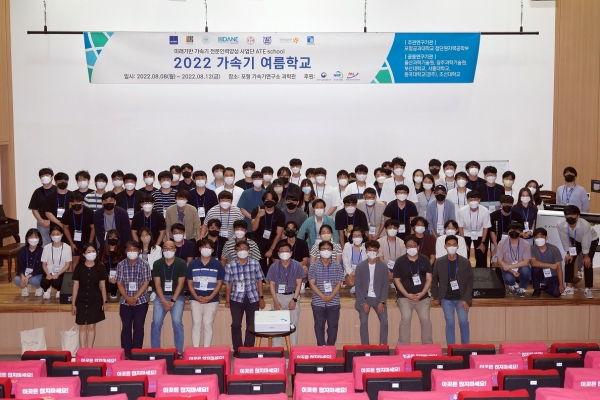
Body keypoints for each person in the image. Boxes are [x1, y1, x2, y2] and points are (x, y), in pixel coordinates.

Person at [224, 241, 266, 356]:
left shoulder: (255, 263)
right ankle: (238, 349)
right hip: (236, 298)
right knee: (236, 324)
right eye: (240, 249)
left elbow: (259, 281)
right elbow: (228, 284)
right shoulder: (230, 265)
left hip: (253, 298)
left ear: (249, 251)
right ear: (235, 251)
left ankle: (248, 349)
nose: (242, 251)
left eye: (245, 248)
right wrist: (227, 300)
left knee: (251, 325)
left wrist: (261, 298)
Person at [432, 235, 473, 345]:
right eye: (449, 245)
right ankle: (451, 348)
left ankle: (465, 347)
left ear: (458, 246)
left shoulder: (465, 262)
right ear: (445, 246)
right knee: (450, 323)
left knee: (463, 321)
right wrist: (436, 297)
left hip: (461, 298)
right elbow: (434, 280)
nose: (452, 247)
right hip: (446, 298)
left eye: (454, 244)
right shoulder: (439, 262)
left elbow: (470, 282)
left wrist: (466, 299)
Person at [393, 234, 433, 345]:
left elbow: (429, 279)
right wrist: (407, 295)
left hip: (423, 297)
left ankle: (428, 346)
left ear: (418, 247)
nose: (412, 248)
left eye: (414, 246)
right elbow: (397, 280)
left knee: (425, 319)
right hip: (405, 297)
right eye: (409, 246)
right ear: (406, 247)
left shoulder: (425, 259)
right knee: (406, 318)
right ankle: (403, 346)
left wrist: (422, 293)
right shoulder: (400, 261)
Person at [151, 240, 187, 356]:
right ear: (162, 250)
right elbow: (157, 284)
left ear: (175, 249)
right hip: (160, 297)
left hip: (177, 297)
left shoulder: (181, 263)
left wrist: (172, 300)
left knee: (177, 322)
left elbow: (181, 284)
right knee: (156, 323)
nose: (168, 250)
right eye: (165, 248)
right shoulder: (157, 264)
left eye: (171, 248)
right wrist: (163, 300)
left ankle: (179, 352)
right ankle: (156, 351)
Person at [116, 240, 151, 359]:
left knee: (139, 327)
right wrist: (127, 298)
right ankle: (126, 354)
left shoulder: (145, 264)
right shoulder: (121, 265)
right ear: (125, 251)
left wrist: (135, 297)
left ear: (139, 251)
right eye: (129, 249)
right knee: (126, 327)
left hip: (141, 301)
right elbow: (119, 283)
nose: (132, 252)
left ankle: (136, 353)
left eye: (134, 249)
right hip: (125, 302)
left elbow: (146, 283)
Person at [187, 239, 225, 347]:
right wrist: (196, 297)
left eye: (208, 247)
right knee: (196, 323)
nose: (206, 249)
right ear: (199, 249)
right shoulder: (193, 264)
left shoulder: (217, 264)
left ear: (212, 250)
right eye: (203, 247)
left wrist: (210, 297)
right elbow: (189, 283)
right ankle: (195, 350)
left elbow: (219, 283)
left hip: (212, 300)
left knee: (208, 323)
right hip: (195, 299)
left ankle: (206, 349)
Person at [266, 242, 304, 346]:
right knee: (277, 325)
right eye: (282, 251)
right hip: (278, 296)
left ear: (291, 253)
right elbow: (272, 285)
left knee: (293, 325)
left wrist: (294, 300)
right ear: (278, 253)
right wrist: (275, 301)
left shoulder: (297, 265)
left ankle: (293, 349)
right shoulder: (273, 267)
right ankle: (277, 350)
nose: (284, 253)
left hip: (292, 296)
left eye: (287, 251)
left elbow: (299, 284)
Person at [308, 241, 345, 346]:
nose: (326, 251)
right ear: (319, 251)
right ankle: (321, 348)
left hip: (334, 301)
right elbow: (312, 284)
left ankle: (330, 347)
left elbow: (339, 283)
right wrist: (323, 296)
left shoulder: (337, 266)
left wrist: (331, 296)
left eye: (328, 249)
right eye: (323, 249)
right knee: (319, 326)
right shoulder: (313, 266)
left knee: (333, 326)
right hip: (318, 301)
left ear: (332, 251)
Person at [71, 244, 108, 348]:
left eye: (93, 251)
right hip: (81, 300)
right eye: (88, 251)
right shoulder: (79, 267)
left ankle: (90, 350)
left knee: (92, 326)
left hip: (95, 300)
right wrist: (73, 304)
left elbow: (103, 287)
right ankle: (83, 350)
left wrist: (105, 302)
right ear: (84, 254)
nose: (91, 253)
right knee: (82, 326)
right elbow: (75, 286)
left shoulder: (100, 267)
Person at [558, 205, 598, 298]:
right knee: (569, 260)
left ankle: (588, 289)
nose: (570, 217)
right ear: (564, 216)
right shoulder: (560, 224)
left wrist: (586, 256)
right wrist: (568, 253)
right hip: (576, 240)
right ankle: (569, 287)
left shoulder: (585, 225)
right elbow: (564, 240)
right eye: (568, 215)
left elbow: (586, 241)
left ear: (578, 216)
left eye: (573, 215)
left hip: (591, 240)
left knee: (587, 263)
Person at [354, 241, 389, 345]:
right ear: (366, 251)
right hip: (364, 299)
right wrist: (363, 303)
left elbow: (385, 286)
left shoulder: (383, 267)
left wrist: (382, 302)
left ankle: (383, 345)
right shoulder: (360, 266)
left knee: (384, 322)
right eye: (370, 250)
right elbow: (358, 287)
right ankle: (365, 347)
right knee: (364, 322)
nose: (372, 252)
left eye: (374, 250)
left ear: (378, 251)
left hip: (378, 299)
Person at [251, 190, 285, 276]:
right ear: (263, 200)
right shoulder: (257, 210)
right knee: (258, 261)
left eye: (272, 199)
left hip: (273, 240)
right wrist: (258, 216)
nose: (269, 201)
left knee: (274, 260)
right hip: (258, 239)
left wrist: (271, 250)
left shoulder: (280, 214)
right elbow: (253, 228)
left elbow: (279, 234)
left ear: (275, 201)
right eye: (267, 199)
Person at [496, 223, 532, 298]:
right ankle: (512, 284)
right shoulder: (502, 243)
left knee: (526, 270)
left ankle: (522, 288)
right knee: (508, 279)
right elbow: (499, 260)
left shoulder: (526, 244)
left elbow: (526, 262)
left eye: (517, 230)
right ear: (508, 232)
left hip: (520, 267)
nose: (514, 231)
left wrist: (510, 266)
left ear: (521, 232)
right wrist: (511, 270)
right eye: (512, 230)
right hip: (507, 268)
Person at [457, 191, 491, 268]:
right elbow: (460, 227)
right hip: (465, 233)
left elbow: (485, 228)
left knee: (481, 254)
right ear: (467, 201)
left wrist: (482, 243)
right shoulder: (462, 211)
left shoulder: (485, 211)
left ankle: (481, 273)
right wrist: (463, 242)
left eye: (475, 199)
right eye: (470, 200)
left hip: (480, 233)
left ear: (479, 200)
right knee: (464, 254)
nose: (473, 202)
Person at [489, 195, 525, 266]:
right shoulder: (493, 215)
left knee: (511, 262)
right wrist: (496, 246)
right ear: (501, 204)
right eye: (505, 204)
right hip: (497, 242)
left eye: (509, 204)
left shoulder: (517, 215)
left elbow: (520, 230)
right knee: (495, 262)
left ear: (512, 205)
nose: (507, 205)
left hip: (513, 242)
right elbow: (492, 231)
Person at [62, 192, 95, 266]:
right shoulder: (67, 213)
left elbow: (93, 229)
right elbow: (65, 228)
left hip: (87, 239)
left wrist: (89, 244)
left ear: (82, 202)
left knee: (87, 259)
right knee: (73, 261)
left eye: (78, 201)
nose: (75, 204)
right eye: (73, 202)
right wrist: (71, 243)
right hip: (72, 240)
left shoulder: (89, 212)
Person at [40, 226, 73, 299]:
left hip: (61, 272)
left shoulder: (67, 248)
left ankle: (59, 290)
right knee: (44, 282)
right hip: (49, 271)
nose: (55, 236)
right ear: (50, 236)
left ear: (62, 234)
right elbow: (44, 264)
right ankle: (46, 290)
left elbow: (67, 265)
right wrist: (48, 274)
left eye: (58, 234)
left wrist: (58, 274)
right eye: (53, 234)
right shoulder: (46, 247)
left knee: (57, 282)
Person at [530, 228, 564, 298]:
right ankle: (537, 288)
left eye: (542, 237)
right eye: (537, 237)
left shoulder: (554, 249)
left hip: (552, 274)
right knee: (535, 268)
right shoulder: (531, 248)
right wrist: (550, 265)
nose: (539, 239)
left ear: (546, 237)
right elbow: (534, 263)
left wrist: (561, 285)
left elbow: (559, 268)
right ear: (534, 238)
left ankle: (545, 287)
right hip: (539, 274)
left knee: (556, 293)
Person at [29, 168, 55, 245]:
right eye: (42, 176)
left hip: (55, 222)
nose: (45, 177)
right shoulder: (37, 192)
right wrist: (41, 221)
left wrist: (50, 221)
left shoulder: (57, 190)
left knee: (56, 245)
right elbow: (34, 209)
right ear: (40, 178)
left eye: (47, 175)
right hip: (42, 223)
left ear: (52, 177)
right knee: (44, 245)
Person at [15, 228, 44, 297]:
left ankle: (38, 288)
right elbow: (20, 267)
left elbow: (40, 269)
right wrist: (22, 276)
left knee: (33, 280)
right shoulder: (21, 251)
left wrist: (29, 276)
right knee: (17, 280)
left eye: (36, 236)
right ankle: (25, 287)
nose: (33, 239)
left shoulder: (42, 251)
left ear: (39, 238)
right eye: (31, 236)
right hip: (25, 273)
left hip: (37, 274)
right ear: (27, 238)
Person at [139, 227, 163, 301]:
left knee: (155, 270)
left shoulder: (157, 248)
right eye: (142, 235)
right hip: (140, 271)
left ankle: (153, 291)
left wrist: (145, 268)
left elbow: (156, 263)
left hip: (152, 271)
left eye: (146, 235)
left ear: (150, 236)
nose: (144, 237)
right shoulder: (138, 249)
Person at [342, 227, 368, 292]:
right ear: (352, 237)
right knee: (351, 283)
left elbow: (367, 263)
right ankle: (359, 286)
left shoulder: (366, 246)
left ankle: (359, 287)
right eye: (354, 236)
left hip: (362, 271)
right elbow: (345, 262)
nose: (357, 237)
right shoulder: (347, 245)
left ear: (363, 236)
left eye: (359, 235)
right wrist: (351, 273)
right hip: (349, 271)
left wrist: (356, 271)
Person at [101, 229, 122, 299]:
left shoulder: (122, 251)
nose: (113, 239)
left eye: (115, 237)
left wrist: (116, 278)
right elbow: (100, 268)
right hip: (106, 277)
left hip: (118, 278)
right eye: (111, 237)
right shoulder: (102, 252)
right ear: (107, 238)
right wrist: (108, 277)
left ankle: (116, 290)